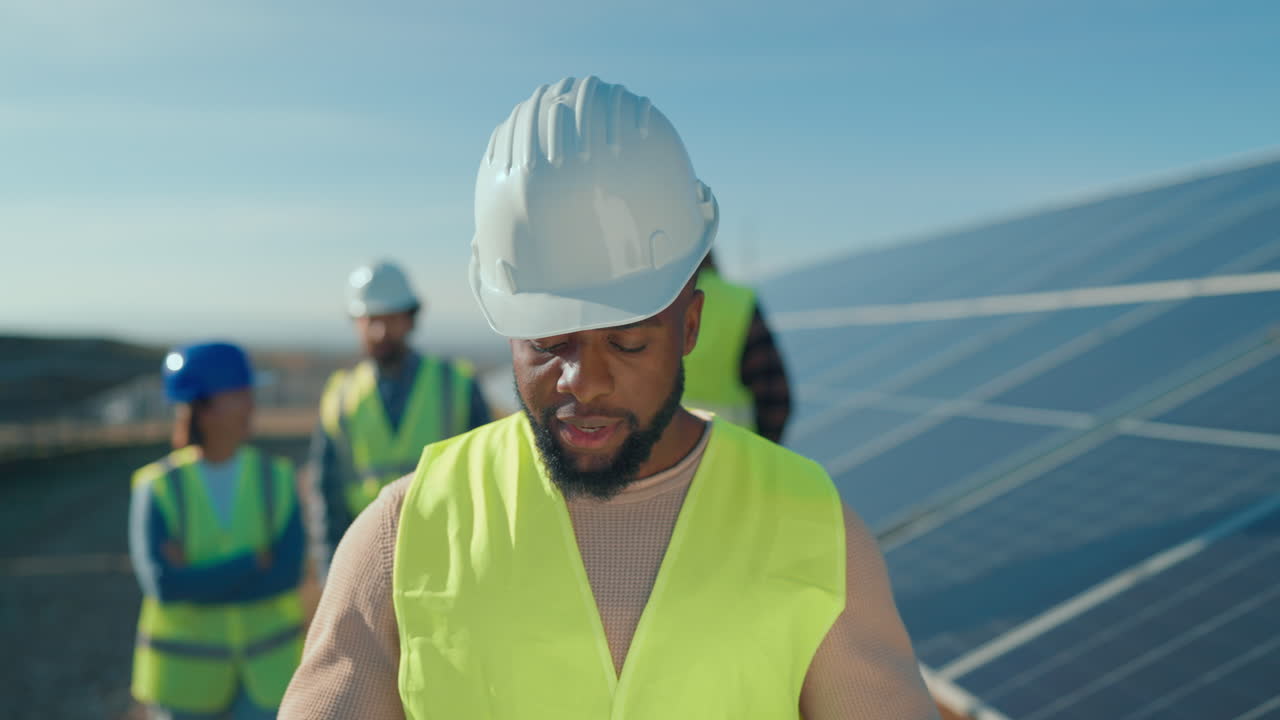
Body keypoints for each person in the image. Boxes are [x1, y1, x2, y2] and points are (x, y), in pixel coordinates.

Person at [281, 76, 938, 719]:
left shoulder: (816, 529)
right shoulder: (405, 534)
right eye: (546, 340)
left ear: (689, 326)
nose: (582, 382)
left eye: (626, 343)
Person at [128, 341, 305, 719]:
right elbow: (165, 586)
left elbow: (286, 574)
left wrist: (198, 578)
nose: (252, 405)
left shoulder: (277, 478)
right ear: (205, 407)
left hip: (267, 679)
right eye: (240, 394)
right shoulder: (158, 487)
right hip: (185, 683)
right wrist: (251, 563)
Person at [305, 261, 490, 579]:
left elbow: (488, 480)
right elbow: (327, 494)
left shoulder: (456, 384)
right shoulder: (340, 397)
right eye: (371, 320)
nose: (380, 332)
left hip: (449, 560)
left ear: (410, 319)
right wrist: (332, 576)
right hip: (368, 565)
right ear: (356, 322)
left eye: (390, 319)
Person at [682, 249, 793, 442]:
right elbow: (774, 397)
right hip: (734, 457)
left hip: (660, 462)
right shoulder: (737, 301)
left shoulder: (646, 305)